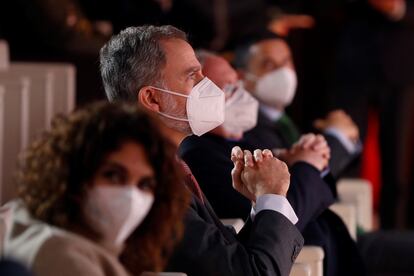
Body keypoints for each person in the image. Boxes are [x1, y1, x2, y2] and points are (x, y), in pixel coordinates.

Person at [100, 25, 304, 276]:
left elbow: (222, 257)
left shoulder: (165, 165)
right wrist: (272, 196)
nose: (208, 85)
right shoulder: (145, 184)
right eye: (192, 75)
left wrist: (260, 201)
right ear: (152, 99)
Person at [181, 51, 365, 276]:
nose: (239, 92)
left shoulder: (242, 137)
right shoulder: (197, 151)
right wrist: (306, 165)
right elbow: (277, 220)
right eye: (226, 86)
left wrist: (295, 159)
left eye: (237, 83)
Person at [0, 102, 190, 275]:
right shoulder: (66, 258)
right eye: (113, 176)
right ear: (74, 173)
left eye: (144, 184)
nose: (130, 196)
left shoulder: (26, 216)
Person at [235, 37, 361, 178]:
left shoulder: (283, 119)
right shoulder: (248, 126)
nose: (283, 72)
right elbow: (299, 183)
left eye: (286, 61)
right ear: (242, 77)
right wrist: (337, 136)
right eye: (269, 65)